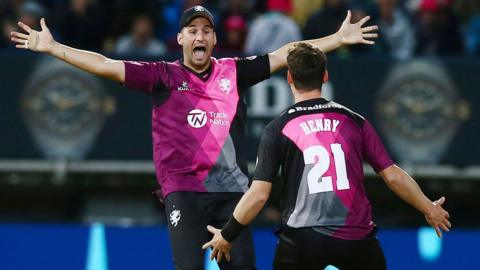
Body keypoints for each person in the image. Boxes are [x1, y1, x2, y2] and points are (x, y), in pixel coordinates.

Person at [10, 6, 378, 270]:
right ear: (181, 38)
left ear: (215, 39)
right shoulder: (162, 75)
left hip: (233, 194)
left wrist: (337, 38)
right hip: (184, 191)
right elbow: (106, 66)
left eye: (206, 30)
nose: (200, 36)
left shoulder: (234, 71)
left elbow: (287, 55)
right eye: (193, 30)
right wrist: (53, 48)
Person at [202, 42, 451, 270]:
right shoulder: (355, 121)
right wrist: (428, 208)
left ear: (289, 77)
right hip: (356, 238)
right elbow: (393, 175)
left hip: (302, 239)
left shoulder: (278, 128)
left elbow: (258, 196)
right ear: (325, 76)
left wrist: (227, 234)